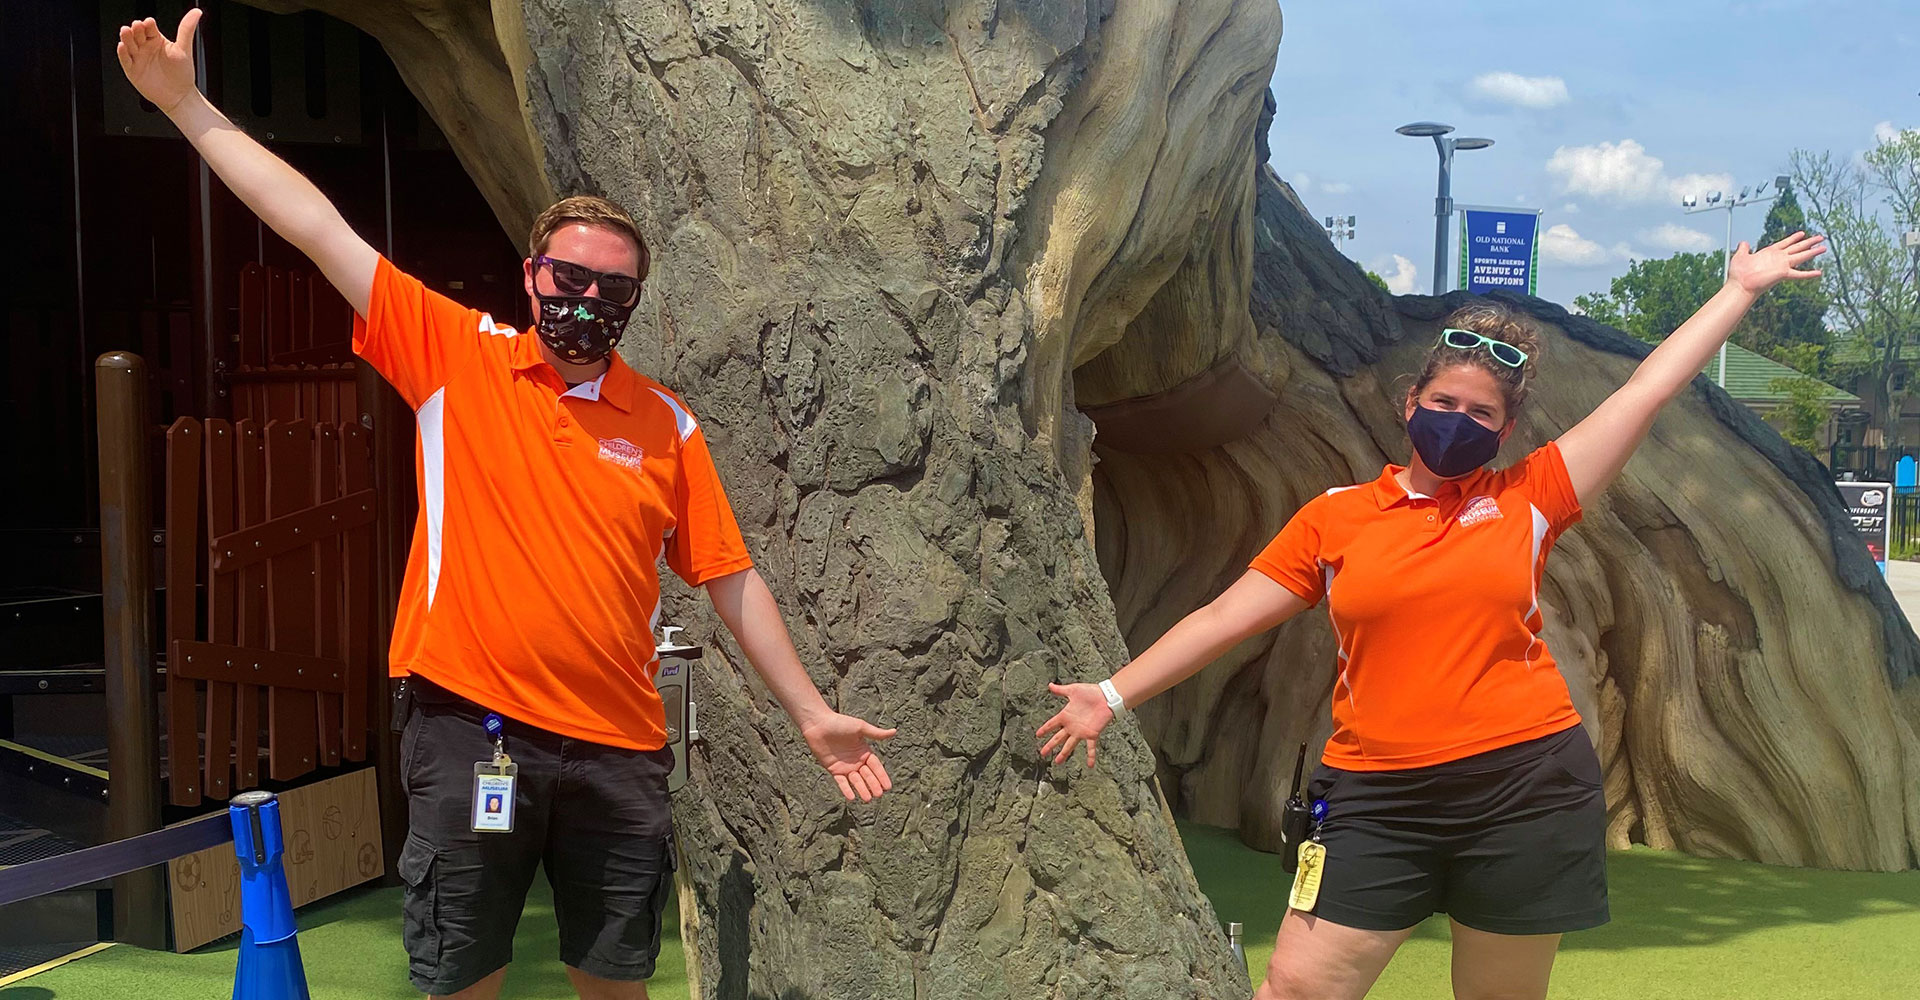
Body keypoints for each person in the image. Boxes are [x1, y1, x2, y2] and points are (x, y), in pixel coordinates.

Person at [118, 11, 898, 1000]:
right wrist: (185, 105)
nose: (589, 299)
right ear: (533, 277)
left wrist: (812, 712)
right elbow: (316, 226)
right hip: (470, 732)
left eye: (614, 288)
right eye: (571, 276)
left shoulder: (669, 426)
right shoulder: (457, 355)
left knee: (615, 977)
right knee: (465, 972)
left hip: (619, 752)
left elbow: (730, 578)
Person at [1039, 235, 1825, 999]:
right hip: (1372, 797)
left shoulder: (1530, 497)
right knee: (1296, 987)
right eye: (1443, 401)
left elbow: (1646, 390)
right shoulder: (1336, 517)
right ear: (1409, 402)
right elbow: (1222, 617)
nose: (1458, 419)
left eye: (1480, 413)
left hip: (1524, 787)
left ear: (1505, 430)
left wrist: (1739, 290)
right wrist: (1110, 696)